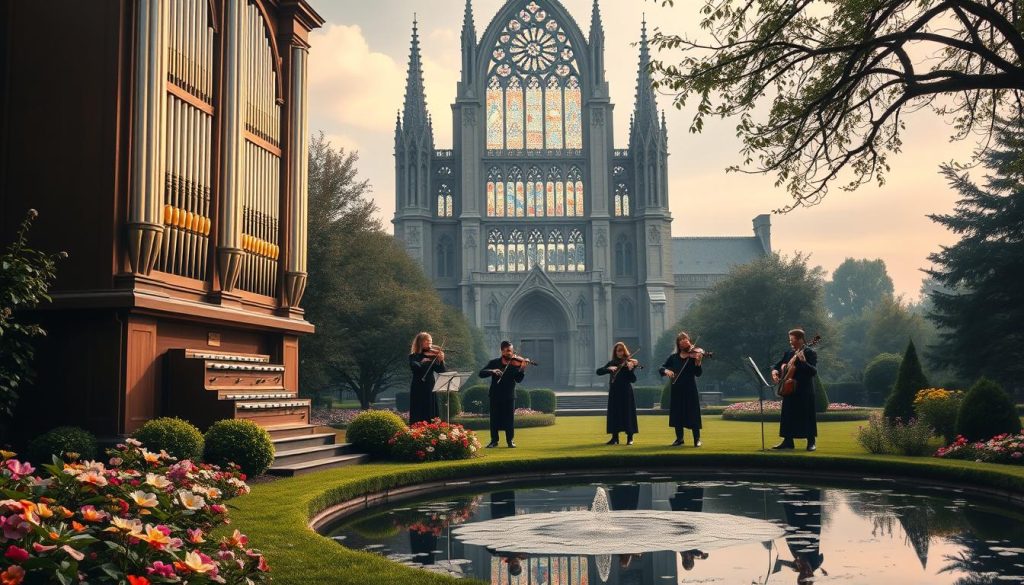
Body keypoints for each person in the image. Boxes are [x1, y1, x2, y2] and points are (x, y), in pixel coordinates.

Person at [770, 328, 818, 451]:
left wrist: (803, 361)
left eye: (792, 340)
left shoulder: (810, 353)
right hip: (789, 388)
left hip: (804, 390)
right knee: (788, 415)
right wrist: (775, 371)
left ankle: (811, 442)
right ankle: (788, 441)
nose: (790, 342)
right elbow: (777, 364)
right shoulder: (789, 353)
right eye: (790, 340)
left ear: (800, 339)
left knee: (807, 415)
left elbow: (813, 371)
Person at [659, 332, 705, 447]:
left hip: (690, 388)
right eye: (682, 340)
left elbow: (698, 374)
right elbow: (661, 367)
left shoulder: (694, 355)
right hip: (677, 389)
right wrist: (666, 371)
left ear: (689, 341)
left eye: (686, 339)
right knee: (677, 414)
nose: (685, 341)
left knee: (693, 413)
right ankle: (679, 439)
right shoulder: (673, 357)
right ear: (678, 344)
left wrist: (698, 362)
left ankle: (697, 439)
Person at [479, 341, 528, 448]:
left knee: (509, 419)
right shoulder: (494, 362)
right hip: (495, 395)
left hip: (509, 395)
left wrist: (522, 369)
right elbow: (481, 373)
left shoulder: (515, 364)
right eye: (508, 351)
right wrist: (492, 371)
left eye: (511, 351)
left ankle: (510, 441)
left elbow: (518, 380)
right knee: (494, 419)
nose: (510, 353)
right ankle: (494, 441)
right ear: (502, 351)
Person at [597, 342, 640, 445]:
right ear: (615, 352)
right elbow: (598, 371)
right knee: (614, 414)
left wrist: (630, 369)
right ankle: (614, 438)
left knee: (627, 413)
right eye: (618, 350)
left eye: (622, 350)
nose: (620, 353)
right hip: (614, 392)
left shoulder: (629, 363)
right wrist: (608, 369)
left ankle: (630, 438)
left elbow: (633, 380)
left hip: (626, 392)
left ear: (624, 351)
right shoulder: (612, 363)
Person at [408, 332, 446, 425]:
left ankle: (432, 429)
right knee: (418, 409)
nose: (430, 343)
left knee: (430, 409)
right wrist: (423, 362)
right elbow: (415, 369)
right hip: (418, 386)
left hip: (430, 386)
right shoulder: (413, 357)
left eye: (431, 341)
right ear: (421, 342)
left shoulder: (433, 355)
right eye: (427, 341)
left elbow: (441, 371)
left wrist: (441, 361)